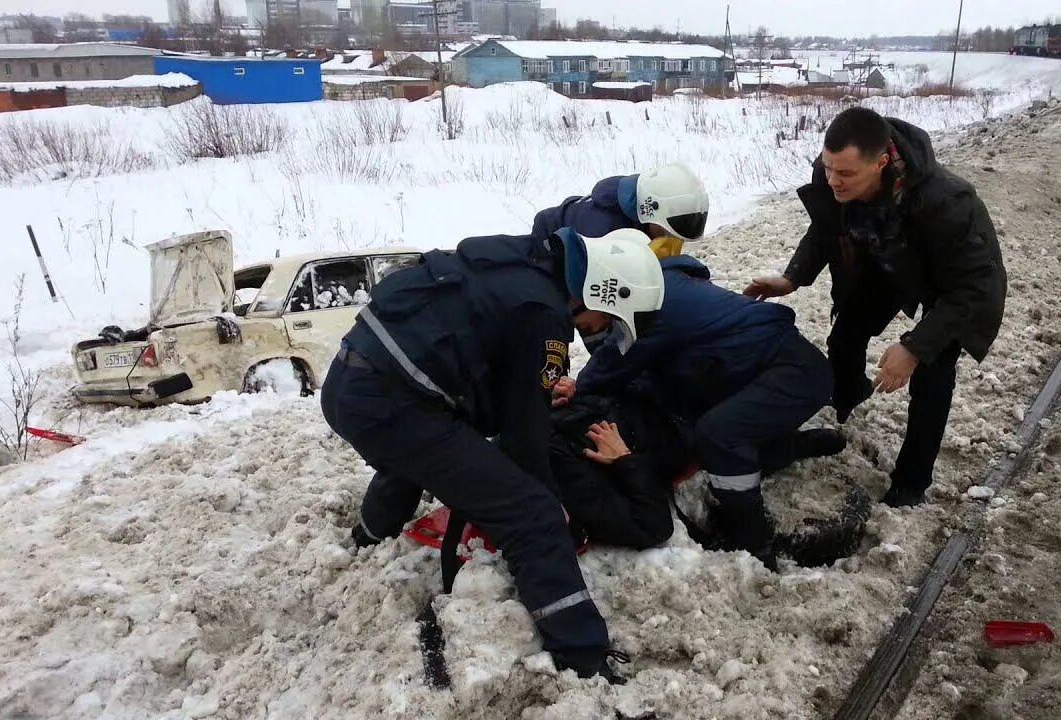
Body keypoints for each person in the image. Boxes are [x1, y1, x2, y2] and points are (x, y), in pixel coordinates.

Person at [321, 227, 664, 680]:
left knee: (430, 449)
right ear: (603, 294)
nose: (596, 331)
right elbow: (524, 439)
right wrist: (551, 505)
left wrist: (532, 399)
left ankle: (369, 535)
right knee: (532, 513)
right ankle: (584, 659)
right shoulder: (546, 316)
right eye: (611, 320)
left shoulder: (525, 261)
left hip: (352, 384)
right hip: (391, 405)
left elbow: (488, 366)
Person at [744, 106, 1007, 508]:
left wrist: (914, 347)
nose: (833, 180)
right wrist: (792, 277)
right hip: (887, 260)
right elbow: (825, 228)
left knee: (931, 376)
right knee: (846, 333)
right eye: (828, 168)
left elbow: (973, 287)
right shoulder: (834, 172)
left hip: (950, 284)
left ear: (882, 162)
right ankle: (846, 399)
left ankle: (911, 482)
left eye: (845, 174)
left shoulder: (947, 202)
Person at [566, 253, 841, 569]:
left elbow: (611, 364)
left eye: (577, 316)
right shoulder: (655, 286)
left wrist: (576, 391)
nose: (579, 328)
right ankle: (795, 446)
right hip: (770, 369)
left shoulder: (649, 313)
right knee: (709, 436)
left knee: (719, 435)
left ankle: (753, 539)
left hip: (794, 374)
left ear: (600, 295)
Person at [548, 390, 871, 566]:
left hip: (661, 404)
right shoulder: (569, 486)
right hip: (675, 438)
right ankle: (793, 446)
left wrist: (579, 390)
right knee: (720, 467)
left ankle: (792, 441)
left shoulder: (533, 445)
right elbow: (652, 527)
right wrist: (624, 461)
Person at [531, 162, 711, 246]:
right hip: (547, 246)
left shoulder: (637, 201)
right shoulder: (604, 232)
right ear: (650, 212)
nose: (674, 239)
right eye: (668, 231)